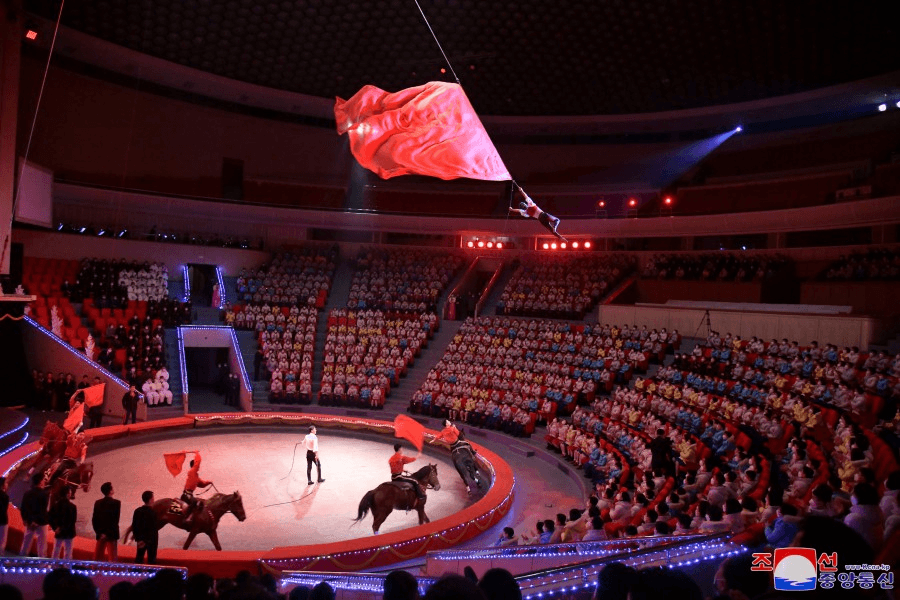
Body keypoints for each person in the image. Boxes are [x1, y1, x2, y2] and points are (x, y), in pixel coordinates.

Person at [19, 474, 50, 557]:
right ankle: (42, 562)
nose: (44, 481)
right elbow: (42, 509)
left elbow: (24, 507)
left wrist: (26, 519)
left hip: (29, 521)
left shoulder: (27, 493)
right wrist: (36, 521)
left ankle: (21, 559)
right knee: (42, 544)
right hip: (41, 522)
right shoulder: (44, 494)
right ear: (40, 482)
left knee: (26, 542)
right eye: (43, 480)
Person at [92, 481, 120, 561]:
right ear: (110, 491)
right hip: (111, 534)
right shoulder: (116, 503)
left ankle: (94, 569)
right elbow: (114, 520)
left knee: (97, 557)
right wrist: (107, 533)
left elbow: (94, 519)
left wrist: (100, 533)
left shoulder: (97, 503)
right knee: (112, 558)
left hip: (100, 534)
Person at [182, 452, 212, 527]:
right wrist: (197, 454)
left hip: (190, 494)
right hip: (186, 494)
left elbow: (202, 484)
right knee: (194, 501)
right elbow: (197, 463)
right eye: (197, 465)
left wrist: (209, 482)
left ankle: (193, 518)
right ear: (194, 465)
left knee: (200, 503)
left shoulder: (196, 476)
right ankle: (186, 518)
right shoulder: (192, 471)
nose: (199, 467)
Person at [131, 490, 159, 564]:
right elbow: (154, 529)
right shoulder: (153, 513)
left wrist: (139, 539)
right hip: (151, 541)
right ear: (150, 500)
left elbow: (135, 526)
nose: (154, 500)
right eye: (153, 498)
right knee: (151, 561)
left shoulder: (137, 511)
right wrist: (148, 541)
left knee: (139, 559)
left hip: (141, 540)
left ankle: (137, 571)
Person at [49, 488, 77, 559]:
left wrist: (55, 528)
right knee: (68, 552)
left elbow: (50, 517)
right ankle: (66, 565)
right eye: (70, 492)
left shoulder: (55, 505)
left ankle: (53, 564)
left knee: (56, 551)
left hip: (58, 532)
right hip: (69, 532)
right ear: (68, 494)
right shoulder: (72, 507)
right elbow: (72, 520)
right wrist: (63, 528)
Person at [0, 477, 9, 553]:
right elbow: (4, 509)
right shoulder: (5, 496)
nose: (7, 484)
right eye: (6, 483)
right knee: (2, 542)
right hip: (3, 521)